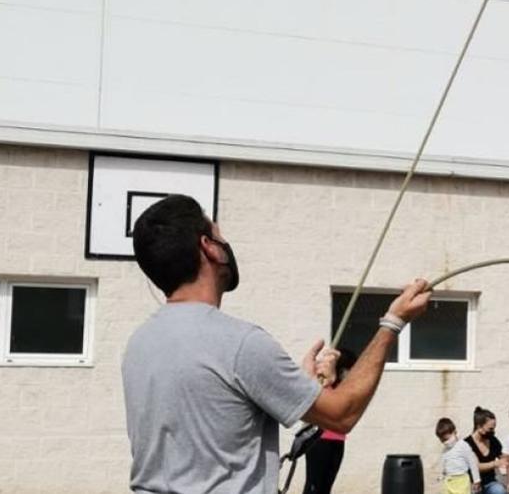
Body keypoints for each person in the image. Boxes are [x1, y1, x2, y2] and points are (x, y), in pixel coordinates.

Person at [121, 194, 432, 494]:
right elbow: (341, 413)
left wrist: (301, 386)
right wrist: (393, 321)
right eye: (219, 235)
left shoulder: (139, 344)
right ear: (209, 248)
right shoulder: (241, 344)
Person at [303, 348, 357, 494]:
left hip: (337, 440)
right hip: (319, 440)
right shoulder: (324, 382)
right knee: (315, 486)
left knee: (326, 486)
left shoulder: (342, 388)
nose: (350, 374)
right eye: (348, 370)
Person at [464, 407, 508, 494]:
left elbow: (502, 457)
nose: (493, 431)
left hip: (490, 483)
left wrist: (506, 460)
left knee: (500, 490)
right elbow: (476, 467)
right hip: (473, 485)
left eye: (494, 428)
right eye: (490, 429)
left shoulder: (493, 440)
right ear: (479, 427)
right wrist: (495, 464)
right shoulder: (467, 444)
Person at [437, 417, 482, 494]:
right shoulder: (445, 449)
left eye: (447, 439)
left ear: (454, 432)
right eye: (442, 441)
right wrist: (442, 474)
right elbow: (444, 462)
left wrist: (476, 480)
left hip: (462, 480)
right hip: (449, 480)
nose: (445, 442)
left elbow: (472, 463)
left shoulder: (463, 445)